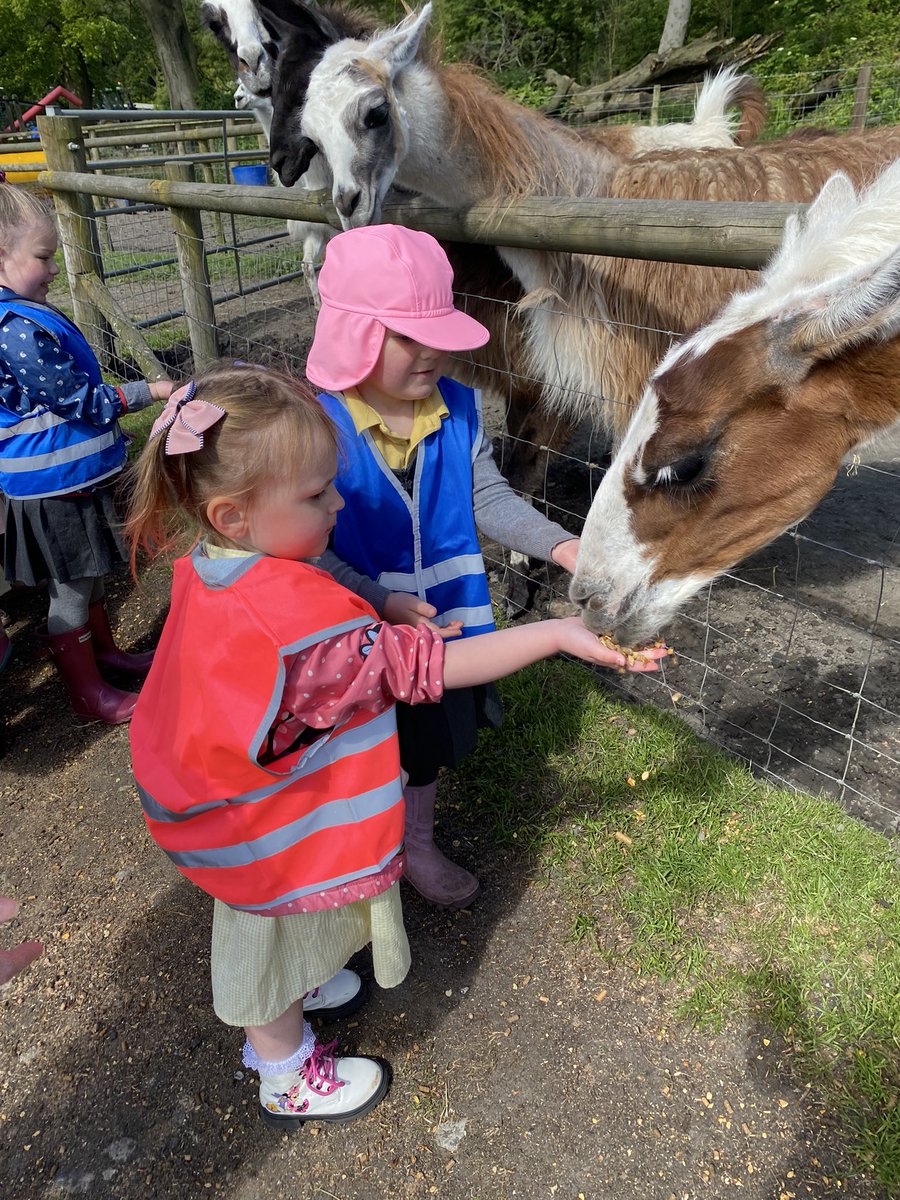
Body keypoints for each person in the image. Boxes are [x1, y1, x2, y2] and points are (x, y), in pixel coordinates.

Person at [125, 362, 666, 1130]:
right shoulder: (302, 626)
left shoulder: (219, 569)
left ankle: (305, 981)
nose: (338, 503)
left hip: (221, 798)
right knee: (260, 940)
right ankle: (282, 1068)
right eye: (316, 495)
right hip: (252, 835)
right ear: (233, 514)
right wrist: (555, 633)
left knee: (281, 927)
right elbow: (433, 666)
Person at [307, 224, 582, 909]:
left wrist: (559, 543)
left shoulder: (457, 407)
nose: (431, 352)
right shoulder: (315, 428)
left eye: (438, 329)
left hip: (448, 628)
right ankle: (361, 854)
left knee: (424, 746)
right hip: (360, 636)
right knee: (357, 748)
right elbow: (310, 549)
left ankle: (417, 845)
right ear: (355, 335)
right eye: (408, 336)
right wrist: (375, 596)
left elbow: (485, 493)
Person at [0, 184, 174, 724]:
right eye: (43, 257)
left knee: (90, 573)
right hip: (54, 487)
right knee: (71, 587)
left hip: (74, 478)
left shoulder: (28, 314)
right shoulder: (16, 332)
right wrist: (149, 392)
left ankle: (104, 654)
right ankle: (88, 692)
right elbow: (78, 401)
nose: (53, 269)